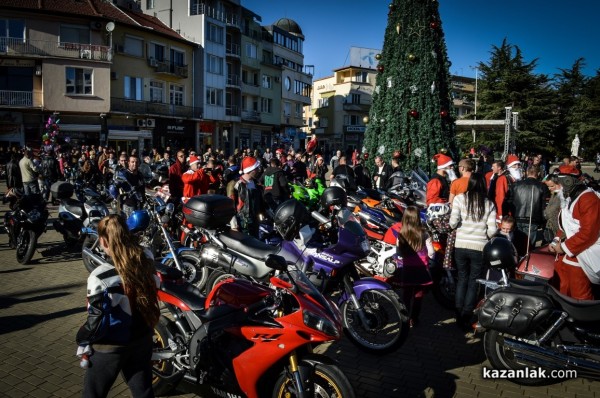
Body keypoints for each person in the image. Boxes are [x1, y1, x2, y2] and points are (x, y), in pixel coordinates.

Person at [76, 214, 160, 398]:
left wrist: (82, 338)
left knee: (93, 394)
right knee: (143, 391)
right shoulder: (146, 256)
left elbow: (95, 322)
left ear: (103, 241)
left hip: (110, 346)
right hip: (143, 337)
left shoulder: (99, 277)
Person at [449, 172, 497, 330]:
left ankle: (457, 311)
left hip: (461, 245)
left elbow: (453, 223)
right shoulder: (488, 203)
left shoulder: (460, 199)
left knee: (462, 278)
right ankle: (467, 314)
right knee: (473, 281)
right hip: (479, 247)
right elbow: (492, 231)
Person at [548, 171, 600, 300]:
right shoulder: (568, 197)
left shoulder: (588, 199)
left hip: (584, 254)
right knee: (560, 288)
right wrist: (555, 242)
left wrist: (564, 247)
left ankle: (582, 318)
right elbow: (564, 226)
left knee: (579, 294)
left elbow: (589, 233)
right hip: (570, 253)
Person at [395, 206, 435, 327]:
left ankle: (405, 319)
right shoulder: (425, 233)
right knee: (418, 296)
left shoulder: (401, 234)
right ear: (417, 218)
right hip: (421, 269)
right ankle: (414, 319)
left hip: (407, 270)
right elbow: (431, 253)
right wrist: (430, 259)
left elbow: (399, 253)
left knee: (406, 295)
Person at [509, 165, 549, 248]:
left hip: (518, 217)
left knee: (516, 245)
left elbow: (510, 201)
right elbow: (544, 205)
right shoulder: (542, 186)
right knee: (528, 247)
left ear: (527, 173)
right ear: (538, 173)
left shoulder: (516, 185)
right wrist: (543, 220)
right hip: (532, 219)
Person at [230, 156, 265, 237]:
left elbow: (260, 202)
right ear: (250, 170)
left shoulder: (257, 183)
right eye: (256, 168)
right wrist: (234, 225)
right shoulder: (235, 184)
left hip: (255, 221)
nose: (258, 171)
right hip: (242, 222)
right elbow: (230, 206)